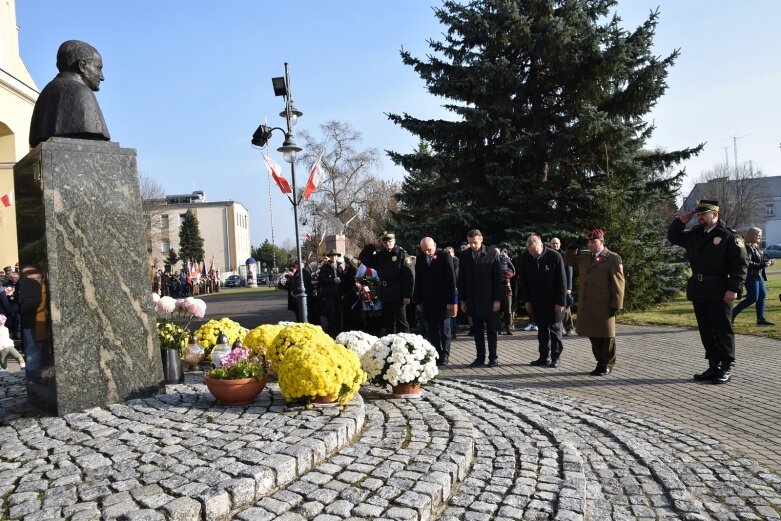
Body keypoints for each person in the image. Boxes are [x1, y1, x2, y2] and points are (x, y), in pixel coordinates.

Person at [667, 200, 748, 384]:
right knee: (706, 329)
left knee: (722, 329)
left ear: (715, 214)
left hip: (720, 289)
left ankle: (726, 367)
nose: (699, 217)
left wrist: (733, 289)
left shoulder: (729, 236)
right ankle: (713, 365)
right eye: (698, 215)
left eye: (703, 214)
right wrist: (680, 221)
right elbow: (673, 236)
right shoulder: (696, 234)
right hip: (699, 288)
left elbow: (741, 264)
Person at [564, 228, 625, 376]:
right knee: (593, 334)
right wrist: (572, 247)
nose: (590, 243)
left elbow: (619, 282)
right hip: (588, 303)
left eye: (594, 241)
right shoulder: (585, 256)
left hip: (604, 303)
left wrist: (616, 304)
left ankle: (608, 364)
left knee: (606, 336)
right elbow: (569, 260)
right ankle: (600, 362)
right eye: (589, 241)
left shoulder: (612, 258)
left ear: (601, 242)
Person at [29, 40, 110, 147]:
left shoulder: (46, 92)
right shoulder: (82, 93)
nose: (102, 77)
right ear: (82, 65)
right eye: (98, 68)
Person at [520, 234, 567, 368]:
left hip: (554, 301)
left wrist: (561, 302)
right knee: (542, 331)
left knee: (555, 331)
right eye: (531, 253)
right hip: (537, 301)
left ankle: (555, 358)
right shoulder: (525, 258)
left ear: (541, 245)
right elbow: (524, 282)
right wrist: (527, 300)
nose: (534, 255)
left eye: (536, 252)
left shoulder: (554, 257)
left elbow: (562, 282)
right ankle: (543, 357)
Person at [458, 229, 503, 367]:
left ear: (481, 239)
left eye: (475, 243)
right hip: (473, 300)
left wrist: (497, 299)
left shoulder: (492, 253)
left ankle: (493, 357)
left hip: (489, 300)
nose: (473, 246)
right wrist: (463, 300)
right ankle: (480, 357)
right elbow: (462, 280)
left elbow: (497, 279)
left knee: (491, 330)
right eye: (470, 243)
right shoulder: (465, 256)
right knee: (477, 331)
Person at [414, 237, 456, 365]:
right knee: (432, 331)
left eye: (429, 249)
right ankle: (437, 353)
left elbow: (451, 279)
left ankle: (445, 355)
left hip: (443, 301)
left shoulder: (444, 256)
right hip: (428, 301)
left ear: (435, 246)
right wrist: (418, 301)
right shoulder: (420, 259)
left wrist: (451, 300)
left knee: (445, 330)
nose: (427, 252)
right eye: (424, 250)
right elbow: (419, 281)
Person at [732, 227, 774, 326]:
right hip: (751, 277)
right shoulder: (746, 247)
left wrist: (767, 262)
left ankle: (761, 319)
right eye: (757, 235)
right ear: (751, 235)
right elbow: (747, 263)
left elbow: (758, 262)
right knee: (752, 298)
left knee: (762, 297)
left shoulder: (755, 247)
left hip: (759, 276)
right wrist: (763, 265)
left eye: (760, 235)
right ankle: (731, 314)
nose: (760, 237)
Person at [373, 232, 414, 334]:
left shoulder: (402, 254)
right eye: (385, 242)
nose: (387, 244)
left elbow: (410, 276)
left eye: (390, 241)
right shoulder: (380, 255)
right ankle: (390, 347)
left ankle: (407, 346)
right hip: (385, 292)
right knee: (388, 324)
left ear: (394, 241)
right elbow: (364, 259)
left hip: (398, 293)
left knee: (401, 322)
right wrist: (372, 245)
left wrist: (407, 295)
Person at [550, 237, 575, 335]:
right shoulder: (549, 255)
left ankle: (569, 328)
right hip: (553, 286)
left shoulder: (565, 255)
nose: (555, 245)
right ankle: (560, 328)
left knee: (566, 307)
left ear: (560, 244)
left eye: (556, 243)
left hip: (563, 286)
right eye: (553, 244)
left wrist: (569, 287)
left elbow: (570, 271)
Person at [318, 250, 344, 336]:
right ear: (330, 257)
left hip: (338, 294)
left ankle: (338, 329)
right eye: (332, 256)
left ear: (337, 257)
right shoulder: (325, 267)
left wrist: (341, 281)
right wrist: (332, 280)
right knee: (331, 312)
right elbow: (321, 280)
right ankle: (333, 330)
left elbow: (343, 279)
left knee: (338, 312)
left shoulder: (340, 267)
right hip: (329, 295)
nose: (334, 257)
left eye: (335, 256)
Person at [498, 248, 517, 335]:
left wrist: (505, 275)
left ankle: (508, 327)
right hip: (497, 289)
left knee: (508, 310)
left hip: (507, 290)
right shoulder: (493, 262)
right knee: (496, 310)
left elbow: (513, 271)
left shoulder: (507, 260)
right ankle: (497, 328)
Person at [445, 246, 460, 339]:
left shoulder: (456, 262)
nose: (448, 255)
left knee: (454, 312)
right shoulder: (444, 261)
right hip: (446, 290)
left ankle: (454, 331)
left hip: (454, 289)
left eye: (449, 253)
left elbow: (456, 276)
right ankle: (451, 331)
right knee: (449, 312)